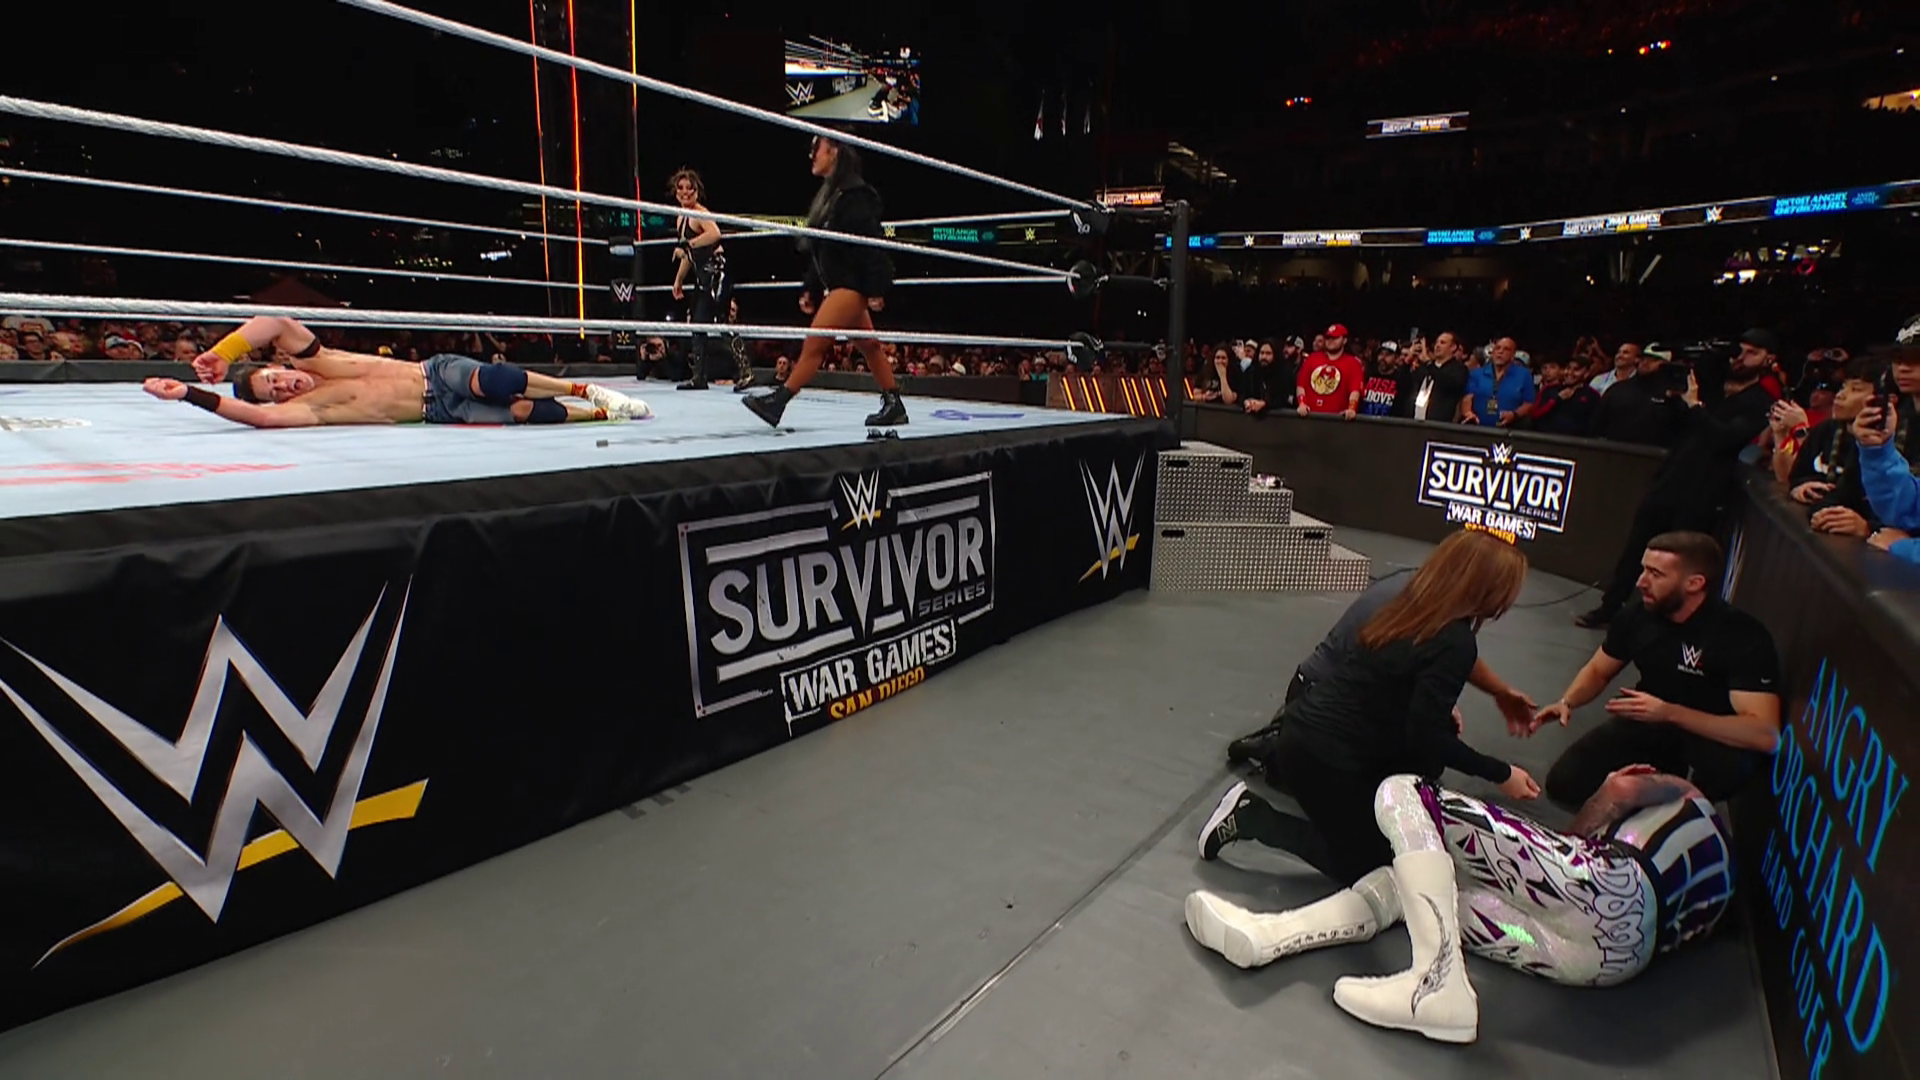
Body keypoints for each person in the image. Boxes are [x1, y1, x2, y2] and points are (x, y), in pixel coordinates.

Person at [1186, 765, 1733, 1043]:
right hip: (1602, 961)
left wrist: (1611, 794)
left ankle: (1437, 983)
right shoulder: (1718, 875)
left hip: (1609, 886)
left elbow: (1615, 794)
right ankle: (1267, 935)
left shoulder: (1685, 796)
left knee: (1406, 794)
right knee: (1428, 891)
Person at [1199, 529, 1540, 889]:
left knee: (1421, 773)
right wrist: (1501, 773)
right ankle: (1252, 817)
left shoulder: (1407, 606)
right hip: (1324, 753)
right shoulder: (1454, 640)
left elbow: (1384, 682)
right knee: (1377, 866)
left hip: (1305, 726)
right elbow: (1426, 737)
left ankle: (1275, 754)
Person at [1224, 549, 1539, 772]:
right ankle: (1278, 750)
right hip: (1322, 696)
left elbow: (1424, 658)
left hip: (1323, 687)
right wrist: (1499, 773)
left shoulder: (1427, 592)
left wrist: (1500, 691)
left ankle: (1290, 744)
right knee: (1420, 757)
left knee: (1434, 736)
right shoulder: (1417, 605)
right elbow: (1389, 688)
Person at [1534, 531, 1781, 807]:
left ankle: (1683, 805)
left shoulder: (1741, 634)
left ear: (1695, 583)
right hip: (1650, 721)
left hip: (1711, 734)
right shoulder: (1637, 615)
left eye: (1655, 574)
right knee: (1564, 784)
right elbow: (1599, 670)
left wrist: (1670, 712)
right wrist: (1567, 701)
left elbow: (1765, 735)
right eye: (1644, 570)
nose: (1641, 582)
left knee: (1720, 778)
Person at [1575, 330, 1780, 628]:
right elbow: (1674, 427)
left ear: (1768, 359)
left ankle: (1661, 622)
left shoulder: (1760, 401)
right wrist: (1674, 400)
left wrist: (1695, 407)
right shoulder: (1710, 385)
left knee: (1678, 561)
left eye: (1752, 353)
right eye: (1740, 350)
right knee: (1636, 549)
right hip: (1671, 478)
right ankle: (1610, 607)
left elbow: (1724, 438)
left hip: (1703, 492)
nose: (1741, 358)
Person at [167, 315, 651, 427]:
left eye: (273, 378)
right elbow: (259, 418)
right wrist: (190, 394)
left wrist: (224, 352)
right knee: (522, 412)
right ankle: (603, 415)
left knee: (492, 379)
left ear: (277, 364)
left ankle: (585, 389)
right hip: (437, 411)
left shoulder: (317, 358)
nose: (282, 386)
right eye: (275, 392)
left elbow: (274, 322)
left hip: (434, 373)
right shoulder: (312, 408)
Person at [743, 133, 904, 429]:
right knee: (870, 346)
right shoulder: (832, 196)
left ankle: (778, 402)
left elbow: (871, 243)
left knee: (815, 343)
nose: (812, 155)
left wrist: (876, 288)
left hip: (851, 285)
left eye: (818, 149)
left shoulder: (856, 196)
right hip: (841, 283)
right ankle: (894, 404)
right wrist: (811, 287)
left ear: (835, 153)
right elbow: (824, 252)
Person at [667, 168, 749, 392]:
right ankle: (699, 377)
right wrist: (678, 280)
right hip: (702, 275)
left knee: (721, 321)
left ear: (697, 191)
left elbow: (714, 234)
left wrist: (688, 245)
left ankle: (746, 373)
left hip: (716, 272)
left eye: (689, 188)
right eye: (681, 188)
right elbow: (688, 254)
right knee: (697, 323)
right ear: (675, 191)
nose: (685, 192)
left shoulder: (700, 213)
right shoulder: (681, 217)